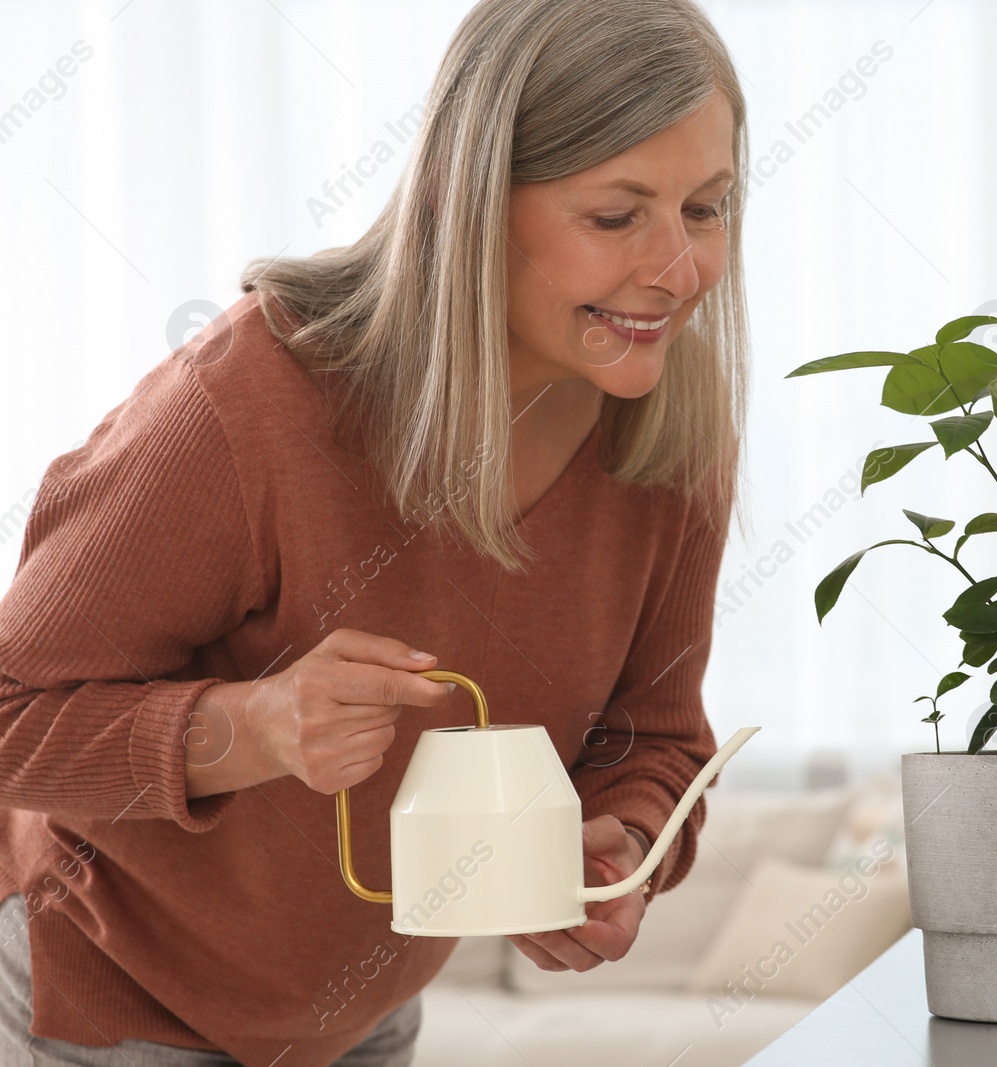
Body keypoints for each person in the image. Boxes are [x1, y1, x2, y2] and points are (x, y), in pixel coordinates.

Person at [0, 0, 750, 1063]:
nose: (680, 270)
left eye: (707, 207)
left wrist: (613, 841)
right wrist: (253, 726)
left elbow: (655, 736)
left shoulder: (670, 424)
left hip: (365, 1012)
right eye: (616, 216)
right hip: (116, 989)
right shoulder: (253, 401)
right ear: (471, 203)